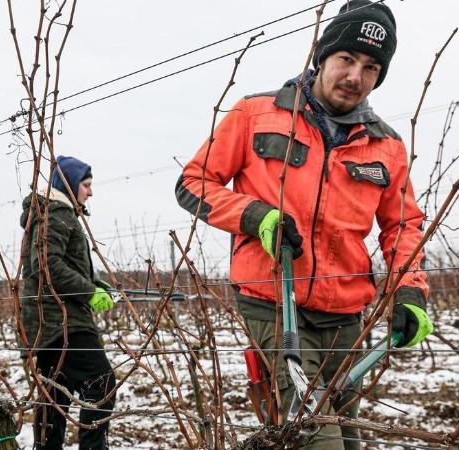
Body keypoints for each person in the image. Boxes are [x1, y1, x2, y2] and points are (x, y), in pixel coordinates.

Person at [175, 1, 433, 448]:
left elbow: (402, 225)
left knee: (349, 438)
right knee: (318, 440)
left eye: (371, 67)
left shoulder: (387, 145)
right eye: (347, 59)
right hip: (275, 304)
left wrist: (410, 289)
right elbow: (192, 183)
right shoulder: (256, 113)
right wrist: (255, 216)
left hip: (345, 319)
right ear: (322, 58)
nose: (356, 76)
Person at [20, 155, 117, 450]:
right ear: (71, 185)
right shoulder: (57, 213)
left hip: (51, 321)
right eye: (86, 185)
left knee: (54, 398)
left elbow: (59, 264)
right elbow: (46, 266)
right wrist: (88, 293)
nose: (90, 191)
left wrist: (94, 283)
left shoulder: (56, 214)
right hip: (63, 321)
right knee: (102, 384)